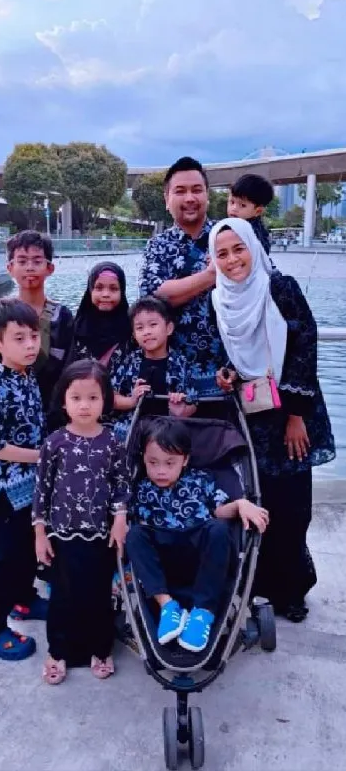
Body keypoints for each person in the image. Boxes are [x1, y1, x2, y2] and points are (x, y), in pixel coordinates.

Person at [210, 218, 336, 622]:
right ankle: (260, 583)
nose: (232, 260)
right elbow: (233, 354)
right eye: (222, 253)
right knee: (258, 499)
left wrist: (296, 416)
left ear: (254, 248)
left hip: (290, 413)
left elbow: (304, 346)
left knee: (293, 505)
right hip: (252, 414)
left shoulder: (280, 288)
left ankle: (292, 591)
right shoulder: (221, 300)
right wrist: (226, 374)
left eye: (238, 249)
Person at [126, 418, 268, 652]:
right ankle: (168, 606)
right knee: (135, 535)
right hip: (163, 558)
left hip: (199, 554)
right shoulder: (140, 489)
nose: (161, 470)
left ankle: (202, 613)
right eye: (153, 462)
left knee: (219, 528)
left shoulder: (200, 480)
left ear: (185, 460)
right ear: (143, 459)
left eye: (169, 463)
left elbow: (219, 509)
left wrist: (241, 503)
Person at [33, 360, 130, 685]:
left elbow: (121, 484)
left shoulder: (113, 442)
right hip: (61, 534)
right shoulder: (55, 443)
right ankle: (58, 650)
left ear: (106, 400)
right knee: (62, 594)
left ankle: (100, 649)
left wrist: (119, 519)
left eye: (93, 397)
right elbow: (41, 491)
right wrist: (40, 534)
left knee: (98, 593)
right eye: (77, 398)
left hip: (100, 535)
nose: (85, 405)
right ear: (64, 401)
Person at [0, 298, 47, 660]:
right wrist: (42, 456)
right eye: (19, 338)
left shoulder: (28, 379)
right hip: (5, 492)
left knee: (24, 553)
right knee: (1, 561)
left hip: (31, 487)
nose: (30, 344)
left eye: (34, 336)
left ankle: (23, 599)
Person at [139, 156, 226, 397]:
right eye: (180, 191)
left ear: (207, 195)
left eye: (197, 190)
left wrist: (178, 289)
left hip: (226, 376)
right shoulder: (157, 245)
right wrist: (210, 276)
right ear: (167, 199)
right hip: (170, 378)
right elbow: (153, 297)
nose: (190, 198)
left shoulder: (228, 238)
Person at [0, 231, 73, 416]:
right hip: (12, 411)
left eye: (37, 261)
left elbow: (69, 368)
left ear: (50, 268)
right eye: (22, 261)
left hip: (55, 412)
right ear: (10, 267)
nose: (29, 268)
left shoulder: (62, 316)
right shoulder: (2, 315)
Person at [111, 296, 196, 441]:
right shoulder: (129, 361)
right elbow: (111, 397)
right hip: (130, 430)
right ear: (134, 334)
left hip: (168, 433)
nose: (147, 332)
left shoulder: (180, 363)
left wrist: (181, 411)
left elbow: (193, 402)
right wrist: (131, 400)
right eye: (140, 328)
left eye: (153, 325)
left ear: (169, 328)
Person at [66, 262, 131, 369]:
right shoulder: (75, 329)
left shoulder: (132, 331)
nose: (105, 294)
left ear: (122, 292)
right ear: (90, 291)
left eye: (113, 288)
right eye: (99, 288)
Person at [227, 174, 273, 256]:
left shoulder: (251, 232)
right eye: (232, 202)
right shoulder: (235, 225)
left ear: (257, 211)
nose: (234, 208)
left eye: (242, 205)